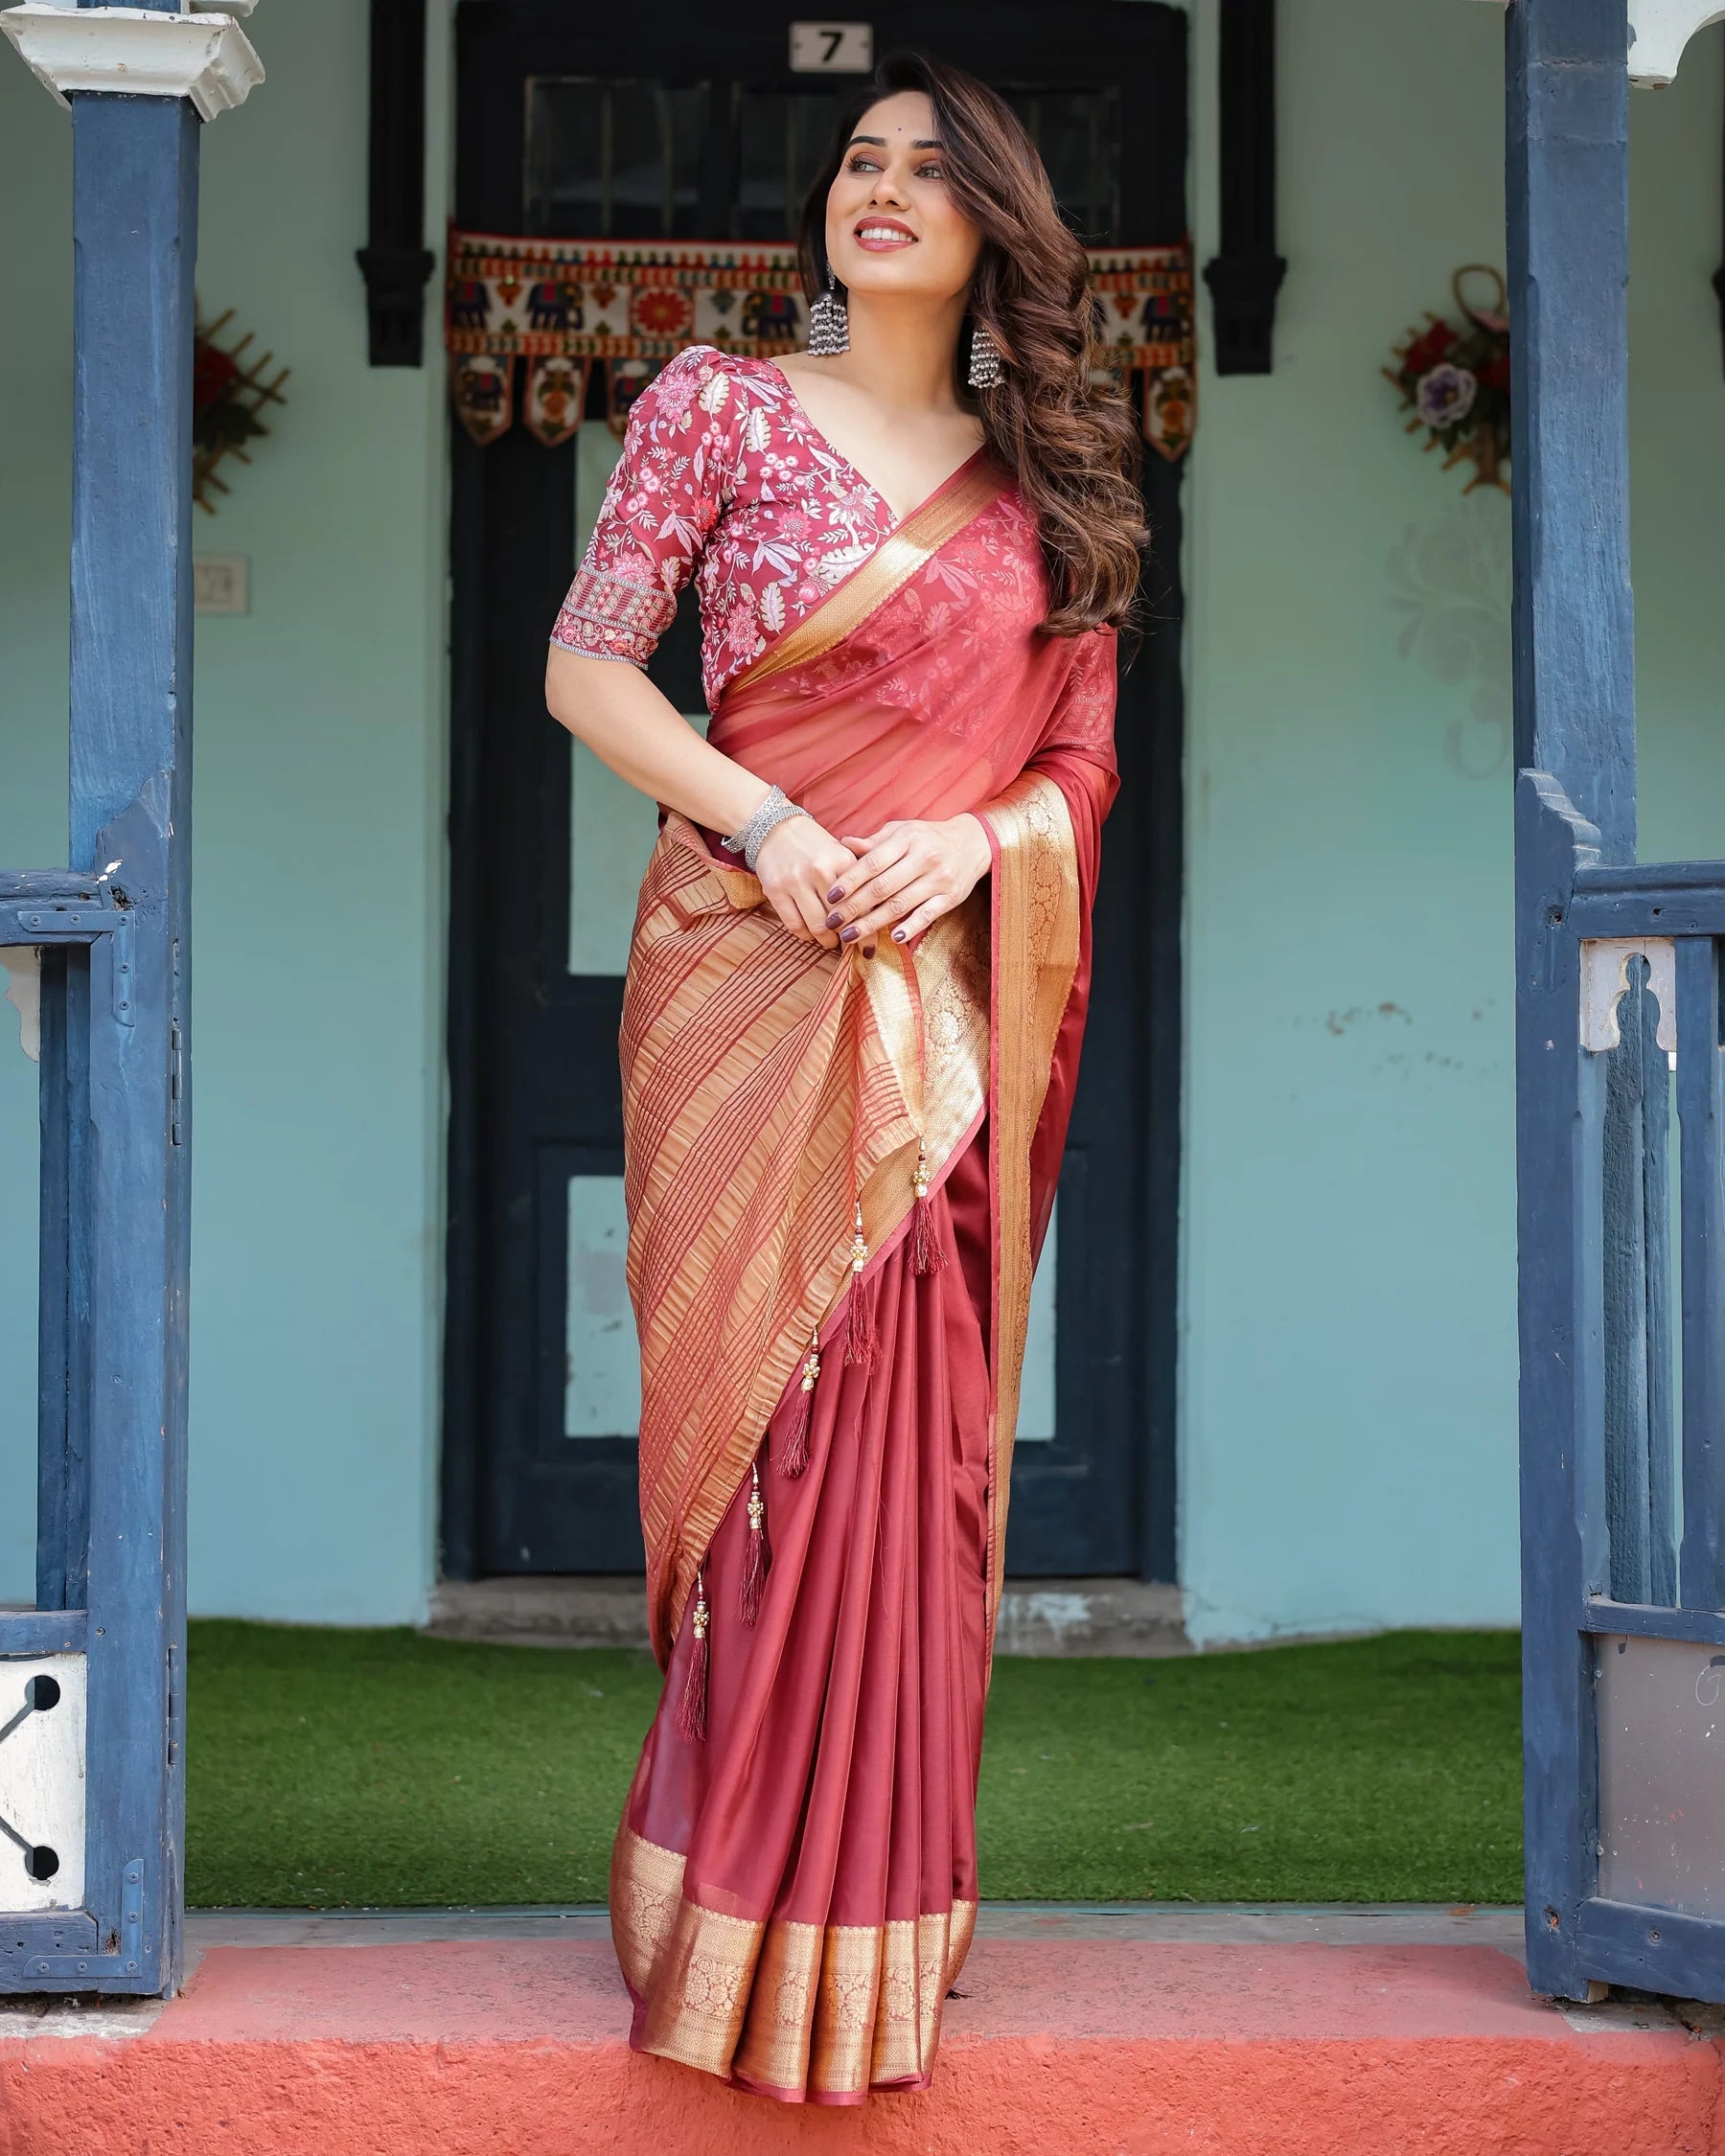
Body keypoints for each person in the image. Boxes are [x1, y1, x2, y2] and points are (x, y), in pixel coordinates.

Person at [544, 47, 1142, 2105]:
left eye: (930, 168)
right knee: (772, 1458)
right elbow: (588, 664)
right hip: (744, 975)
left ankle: (866, 1925)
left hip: (936, 1023)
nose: (881, 190)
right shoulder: (717, 403)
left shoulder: (1054, 480)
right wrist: (773, 824)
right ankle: (729, 1904)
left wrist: (982, 845)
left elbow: (1072, 764)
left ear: (995, 222)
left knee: (905, 1462)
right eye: (860, 162)